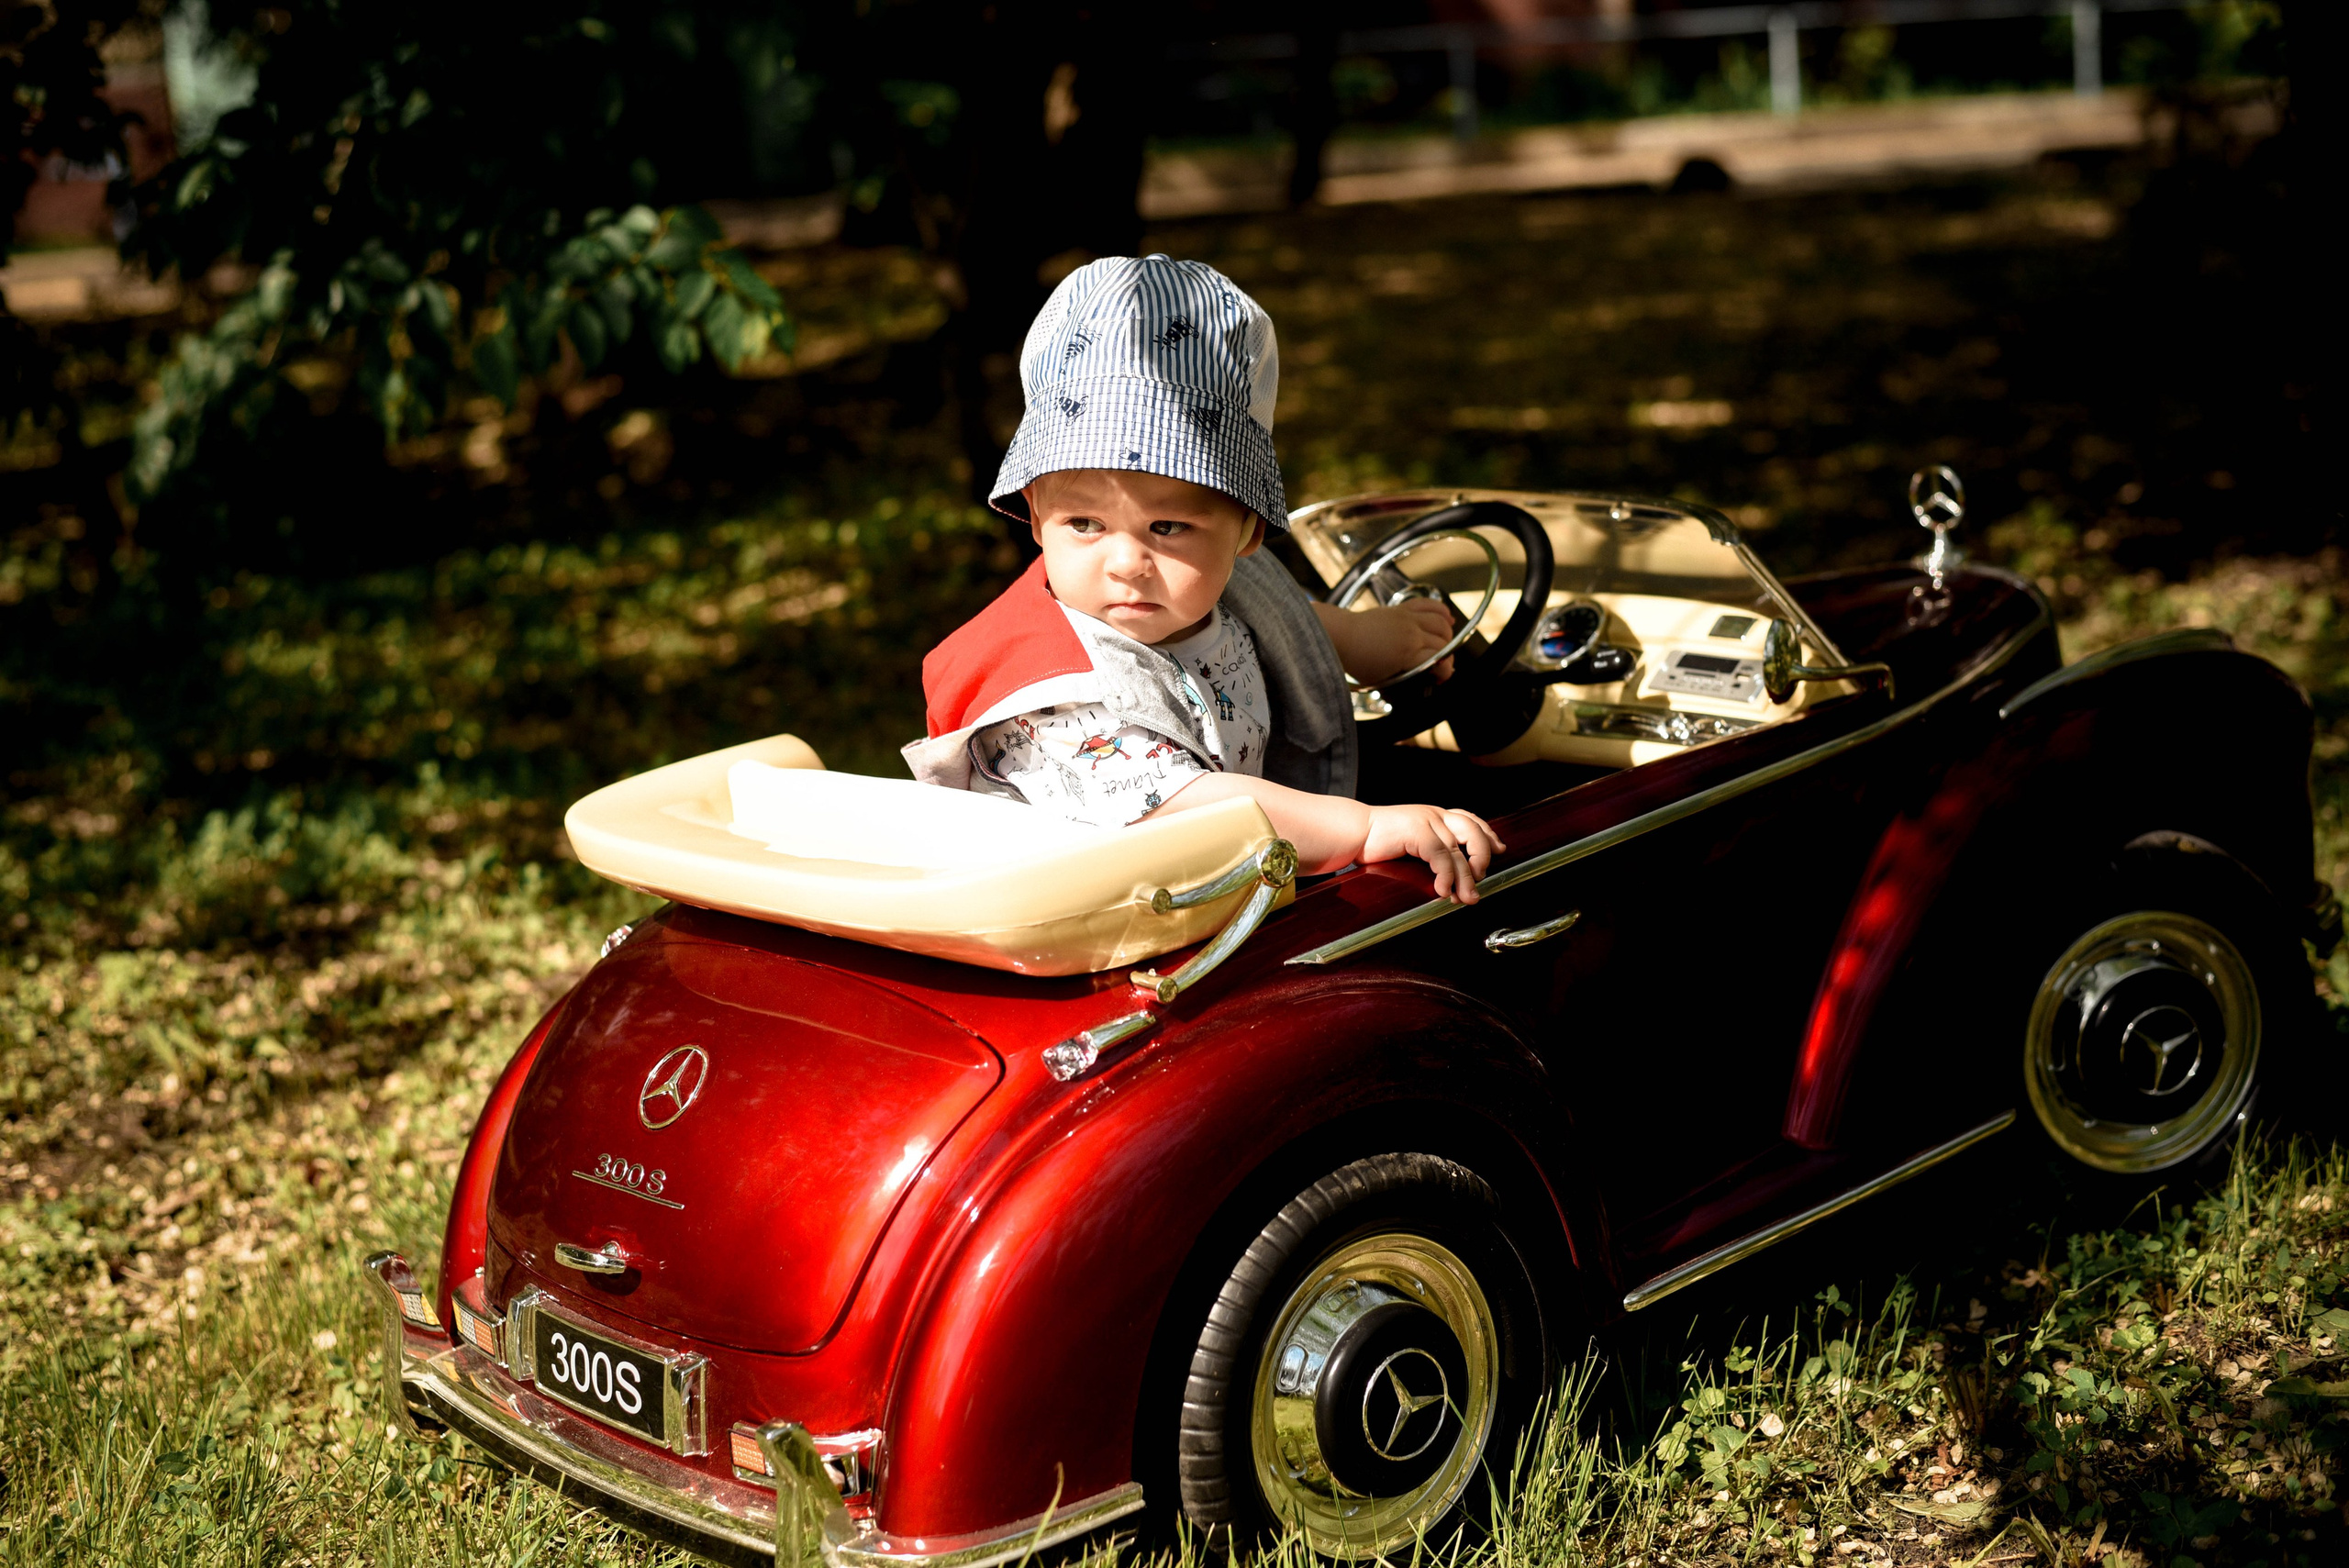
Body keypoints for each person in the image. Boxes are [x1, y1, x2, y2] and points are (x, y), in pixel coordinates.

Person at [903, 255, 1503, 903]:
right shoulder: (1050, 693)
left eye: (1167, 528)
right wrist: (1364, 828)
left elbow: (1286, 621)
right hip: (1087, 947)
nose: (1126, 562)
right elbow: (1197, 810)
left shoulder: (1209, 592)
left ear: (1246, 533)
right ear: (1035, 517)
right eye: (1085, 523)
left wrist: (1368, 640)